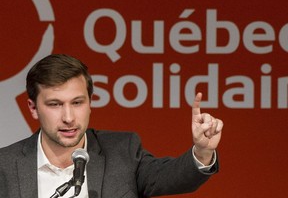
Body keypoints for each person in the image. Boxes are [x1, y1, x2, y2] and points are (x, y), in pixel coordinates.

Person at [0, 54, 223, 198]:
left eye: (77, 103)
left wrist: (202, 152)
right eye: (55, 105)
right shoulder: (5, 166)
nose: (68, 117)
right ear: (33, 108)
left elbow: (171, 177)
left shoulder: (122, 152)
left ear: (89, 103)